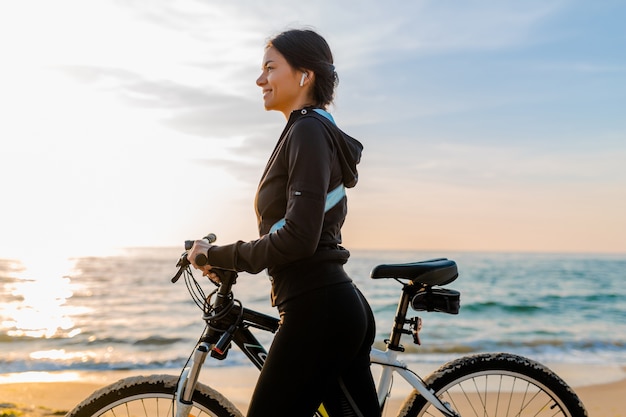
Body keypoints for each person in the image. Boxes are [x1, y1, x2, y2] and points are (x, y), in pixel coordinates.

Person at [188, 28, 380, 417]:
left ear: (305, 75)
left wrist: (222, 255)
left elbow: (298, 238)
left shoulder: (308, 131)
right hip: (329, 302)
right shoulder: (307, 129)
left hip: (319, 308)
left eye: (270, 68)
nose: (260, 79)